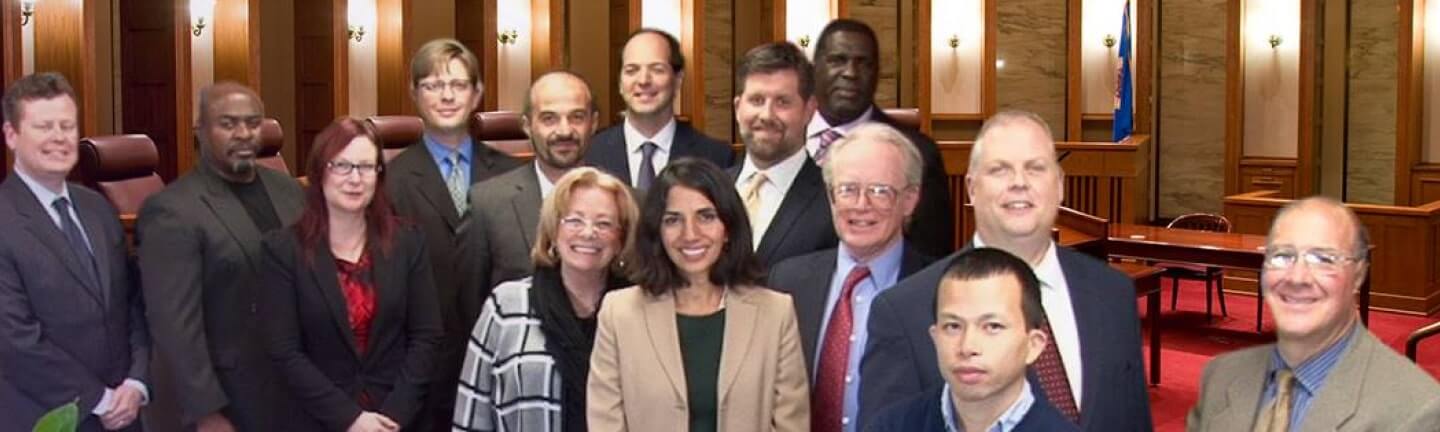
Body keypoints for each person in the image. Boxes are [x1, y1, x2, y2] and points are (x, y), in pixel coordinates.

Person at [859, 111, 1151, 431]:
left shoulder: (1113, 294)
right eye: (1000, 170)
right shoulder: (904, 311)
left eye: (1035, 168)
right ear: (971, 188)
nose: (1019, 183)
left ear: (1060, 185)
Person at [587, 158, 808, 432]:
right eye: (673, 220)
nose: (690, 234)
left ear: (728, 227)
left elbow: (791, 425)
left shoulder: (776, 313)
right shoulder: (618, 312)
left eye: (706, 216)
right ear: (657, 232)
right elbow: (605, 424)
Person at [1187, 197, 1440, 431]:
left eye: (1324, 259)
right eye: (1283, 256)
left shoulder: (1416, 411)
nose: (1298, 278)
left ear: (1359, 275)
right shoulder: (1219, 377)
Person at [138, 82, 303, 431]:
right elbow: (176, 327)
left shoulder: (290, 191)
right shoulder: (172, 210)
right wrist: (206, 412)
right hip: (230, 399)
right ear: (200, 132)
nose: (244, 133)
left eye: (253, 123)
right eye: (228, 124)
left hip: (296, 388)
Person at [259, 118, 443, 431]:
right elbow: (284, 351)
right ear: (320, 172)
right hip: (318, 419)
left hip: (397, 418)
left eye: (366, 167)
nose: (355, 178)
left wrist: (394, 417)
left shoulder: (408, 242)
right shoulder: (283, 250)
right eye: (342, 166)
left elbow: (426, 336)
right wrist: (351, 419)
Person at [384, 39, 522, 430]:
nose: (447, 96)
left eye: (459, 85)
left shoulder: (514, 175)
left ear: (477, 94)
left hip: (503, 360)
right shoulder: (389, 181)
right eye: (432, 85)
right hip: (425, 372)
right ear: (413, 94)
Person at [0, 72, 150, 431]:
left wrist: (136, 383)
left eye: (67, 126)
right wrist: (99, 400)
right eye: (43, 126)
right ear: (11, 135)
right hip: (46, 416)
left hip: (126, 411)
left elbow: (132, 303)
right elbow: (15, 340)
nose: (58, 138)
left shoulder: (98, 207)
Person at [767, 123, 934, 432]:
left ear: (910, 199)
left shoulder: (937, 289)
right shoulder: (787, 281)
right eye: (848, 189)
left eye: (880, 191)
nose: (861, 204)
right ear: (831, 197)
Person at [454, 167, 639, 432]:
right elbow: (471, 413)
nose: (588, 233)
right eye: (574, 220)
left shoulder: (637, 310)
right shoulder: (506, 305)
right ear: (553, 229)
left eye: (604, 223)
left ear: (620, 239)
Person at [867, 248, 1078, 432]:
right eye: (953, 326)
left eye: (992, 327)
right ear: (935, 337)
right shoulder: (890, 426)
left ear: (1033, 345)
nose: (967, 347)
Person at [807, 19, 954, 258]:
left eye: (863, 63)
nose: (850, 73)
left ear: (877, 74)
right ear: (814, 69)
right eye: (838, 60)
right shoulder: (782, 142)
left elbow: (931, 257)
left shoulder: (917, 152)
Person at [460, 71, 599, 320]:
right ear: (527, 126)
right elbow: (468, 312)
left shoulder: (626, 203)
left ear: (594, 123)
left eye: (577, 117)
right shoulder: (487, 205)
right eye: (549, 119)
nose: (564, 130)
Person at [729, 42, 838, 267]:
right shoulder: (710, 189)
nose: (767, 115)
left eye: (782, 102)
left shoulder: (833, 199)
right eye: (757, 100)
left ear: (809, 110)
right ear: (738, 108)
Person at [585, 29, 734, 189]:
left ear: (677, 80)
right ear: (621, 83)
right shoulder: (589, 153)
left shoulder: (716, 157)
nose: (643, 80)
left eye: (657, 69)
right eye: (631, 70)